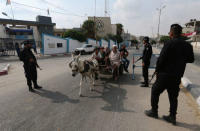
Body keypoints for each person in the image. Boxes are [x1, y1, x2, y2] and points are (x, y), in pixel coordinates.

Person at [145, 24, 194, 125]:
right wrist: (181, 60)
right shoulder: (188, 45)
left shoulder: (169, 43)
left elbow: (161, 59)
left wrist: (157, 70)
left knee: (155, 90)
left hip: (165, 75)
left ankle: (154, 111)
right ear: (180, 33)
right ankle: (172, 117)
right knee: (173, 97)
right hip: (177, 76)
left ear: (171, 32)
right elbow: (191, 59)